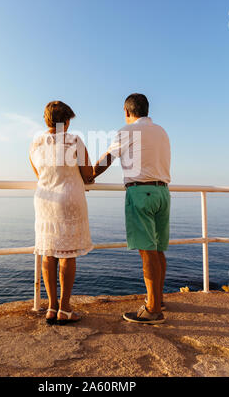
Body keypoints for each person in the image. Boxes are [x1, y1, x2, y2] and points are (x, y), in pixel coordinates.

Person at [91, 93, 171, 325]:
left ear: (127, 112)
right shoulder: (162, 131)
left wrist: (89, 176)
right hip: (162, 192)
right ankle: (158, 298)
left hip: (141, 193)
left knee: (147, 251)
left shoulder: (127, 131)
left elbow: (107, 158)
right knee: (157, 249)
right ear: (147, 110)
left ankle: (153, 309)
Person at [29, 101, 94, 325]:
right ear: (66, 121)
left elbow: (39, 173)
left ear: (47, 120)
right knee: (67, 254)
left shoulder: (36, 143)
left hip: (45, 200)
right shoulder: (74, 140)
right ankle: (65, 309)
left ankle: (51, 307)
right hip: (68, 200)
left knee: (48, 254)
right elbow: (87, 173)